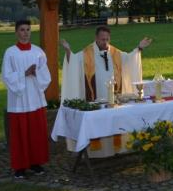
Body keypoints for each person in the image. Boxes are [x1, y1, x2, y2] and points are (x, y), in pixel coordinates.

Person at [60, 26, 153, 157]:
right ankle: (96, 153)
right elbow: (74, 62)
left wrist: (139, 48)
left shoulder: (115, 53)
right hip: (95, 99)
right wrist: (68, 51)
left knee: (113, 121)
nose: (105, 42)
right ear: (96, 38)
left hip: (113, 100)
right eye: (102, 39)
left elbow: (129, 59)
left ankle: (114, 150)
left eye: (107, 39)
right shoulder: (87, 53)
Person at [1, 19, 51, 179]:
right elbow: (6, 76)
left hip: (35, 97)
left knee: (36, 131)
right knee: (20, 133)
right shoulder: (10, 52)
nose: (25, 33)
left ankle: (36, 163)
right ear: (16, 32)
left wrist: (37, 73)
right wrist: (24, 73)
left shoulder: (38, 52)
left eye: (28, 30)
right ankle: (20, 166)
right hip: (19, 99)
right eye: (22, 30)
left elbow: (46, 74)